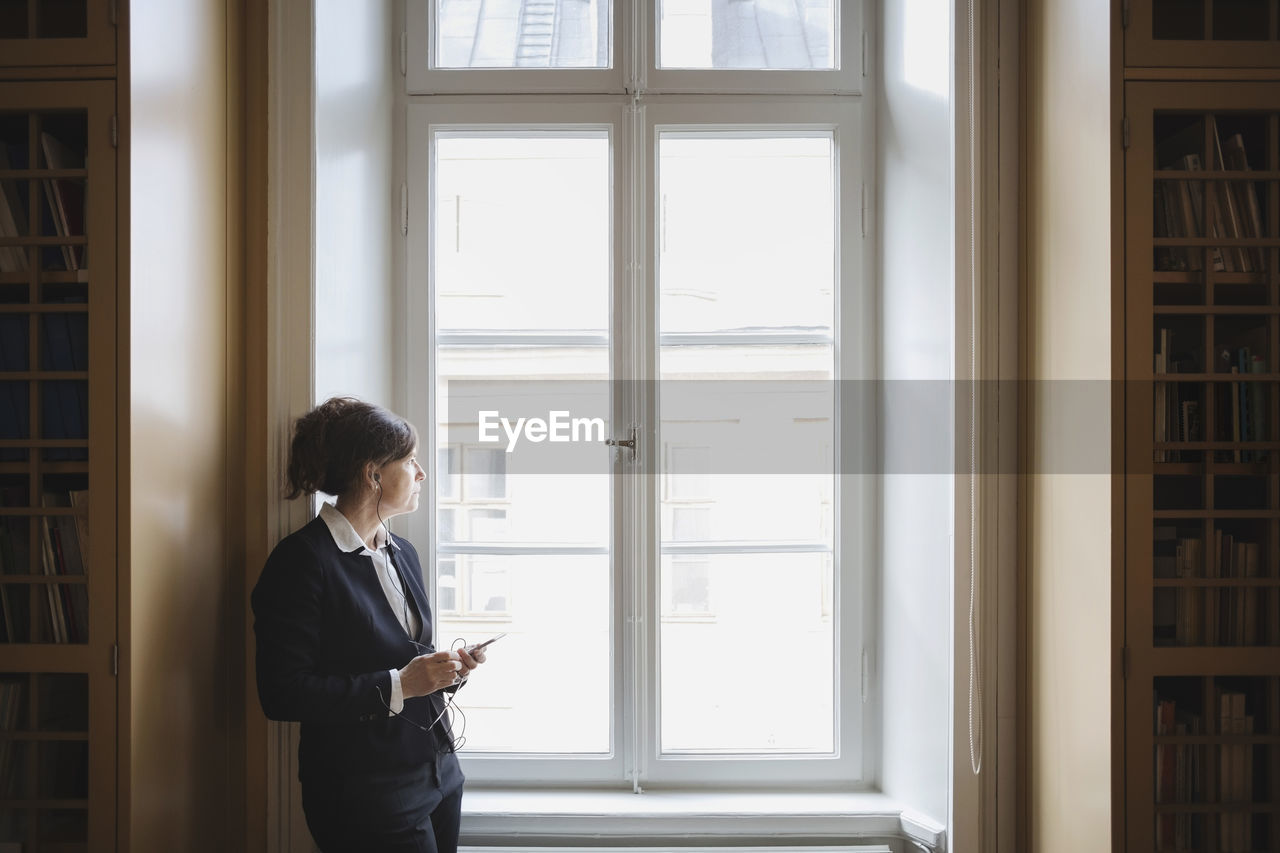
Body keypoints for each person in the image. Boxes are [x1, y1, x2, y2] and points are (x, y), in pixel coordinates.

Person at [252, 397, 485, 853]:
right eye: (411, 461)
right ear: (373, 473)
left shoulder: (403, 552)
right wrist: (402, 684)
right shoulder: (302, 561)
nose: (421, 474)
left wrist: (446, 670)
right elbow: (281, 692)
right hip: (364, 789)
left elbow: (404, 659)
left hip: (439, 771)